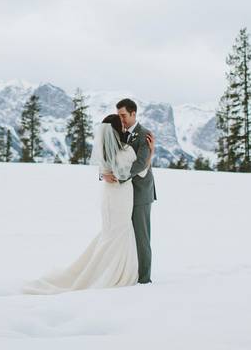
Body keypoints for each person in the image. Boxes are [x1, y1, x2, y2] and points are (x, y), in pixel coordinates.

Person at [21, 113, 156, 294]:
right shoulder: (126, 151)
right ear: (118, 130)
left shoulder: (107, 150)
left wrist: (104, 175)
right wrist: (151, 153)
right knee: (121, 231)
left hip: (108, 196)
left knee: (110, 232)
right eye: (121, 123)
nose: (125, 124)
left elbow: (105, 172)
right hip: (121, 196)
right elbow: (139, 172)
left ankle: (101, 266)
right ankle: (116, 272)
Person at [100, 98, 157, 284]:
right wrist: (104, 174)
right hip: (122, 195)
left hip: (140, 193)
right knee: (124, 236)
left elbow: (140, 164)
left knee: (141, 237)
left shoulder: (144, 135)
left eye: (123, 115)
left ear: (133, 113)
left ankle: (144, 278)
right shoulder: (120, 133)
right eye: (118, 115)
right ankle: (126, 272)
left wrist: (119, 177)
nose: (121, 119)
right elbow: (110, 155)